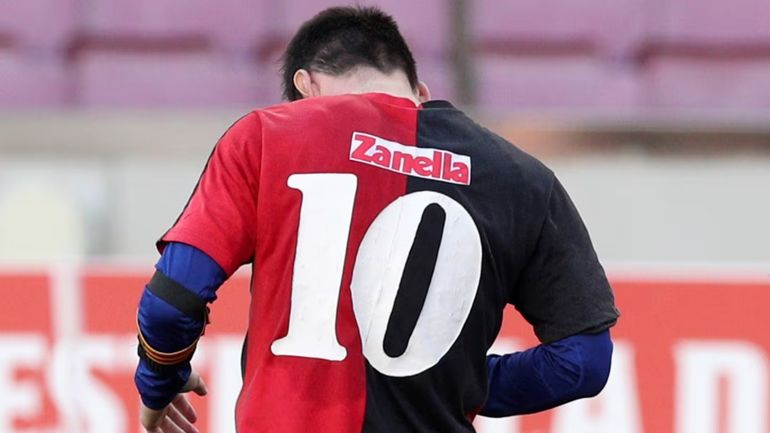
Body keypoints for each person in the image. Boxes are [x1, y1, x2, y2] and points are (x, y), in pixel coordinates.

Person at [134, 6, 620, 433]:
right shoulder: (524, 179)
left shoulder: (266, 137)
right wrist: (466, 381)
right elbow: (584, 362)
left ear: (305, 87)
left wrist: (161, 378)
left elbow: (171, 304)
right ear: (419, 92)